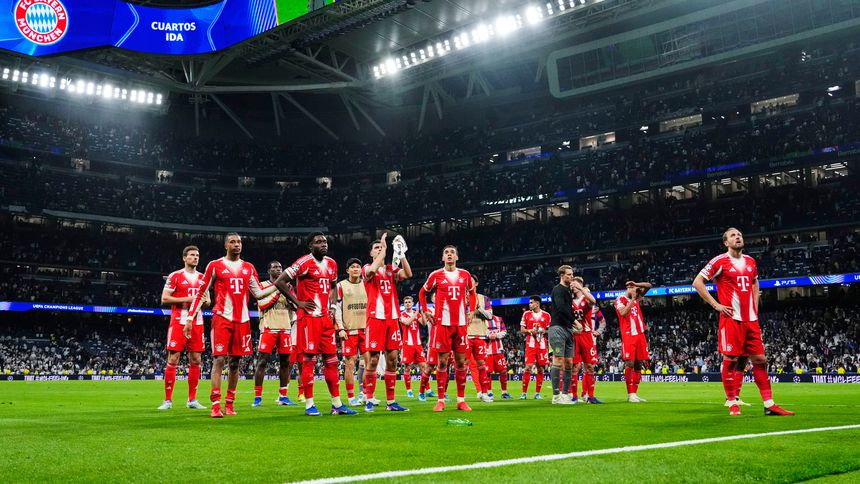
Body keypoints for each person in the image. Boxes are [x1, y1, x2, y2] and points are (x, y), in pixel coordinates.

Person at [693, 227, 794, 416]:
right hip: (731, 319)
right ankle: (732, 402)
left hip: (751, 320)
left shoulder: (750, 261)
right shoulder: (719, 261)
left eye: (739, 234)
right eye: (733, 235)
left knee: (760, 360)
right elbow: (697, 282)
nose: (738, 237)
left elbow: (755, 282)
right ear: (726, 242)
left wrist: (754, 306)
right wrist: (716, 305)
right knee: (730, 360)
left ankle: (769, 404)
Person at [186, 233, 280, 418]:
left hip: (242, 320)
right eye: (233, 242)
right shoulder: (215, 265)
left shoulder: (248, 267)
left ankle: (229, 403)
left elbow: (259, 293)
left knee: (235, 363)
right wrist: (190, 318)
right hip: (222, 318)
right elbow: (201, 292)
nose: (237, 244)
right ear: (226, 245)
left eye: (239, 242)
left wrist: (279, 284)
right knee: (219, 359)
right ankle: (215, 404)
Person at [274, 232, 358, 417]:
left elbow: (333, 286)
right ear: (310, 246)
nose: (323, 244)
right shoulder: (304, 263)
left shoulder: (332, 264)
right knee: (308, 361)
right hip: (309, 319)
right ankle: (309, 404)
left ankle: (337, 404)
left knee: (332, 361)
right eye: (318, 242)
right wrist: (298, 302)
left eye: (325, 241)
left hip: (325, 319)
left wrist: (333, 307)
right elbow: (280, 282)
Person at [419, 245, 476, 412]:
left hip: (460, 324)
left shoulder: (465, 275)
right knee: (442, 362)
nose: (449, 255)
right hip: (442, 324)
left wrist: (472, 311)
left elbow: (472, 293)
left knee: (461, 362)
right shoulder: (435, 275)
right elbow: (422, 293)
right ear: (443, 257)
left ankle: (461, 400)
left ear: (457, 257)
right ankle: (440, 400)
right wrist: (425, 310)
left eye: (452, 252)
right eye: (446, 253)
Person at [362, 233, 412, 412]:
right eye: (376, 248)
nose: (379, 250)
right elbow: (372, 270)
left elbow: (408, 274)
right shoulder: (367, 268)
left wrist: (401, 253)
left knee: (392, 360)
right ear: (371, 253)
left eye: (380, 247)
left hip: (392, 319)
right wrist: (384, 247)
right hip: (375, 318)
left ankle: (391, 402)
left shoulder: (391, 269)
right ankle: (369, 398)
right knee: (373, 359)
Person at [158, 245, 209, 411]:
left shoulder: (203, 278)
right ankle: (167, 401)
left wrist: (201, 301)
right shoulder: (175, 276)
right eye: (192, 255)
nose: (195, 258)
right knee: (173, 359)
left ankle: (192, 400)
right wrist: (189, 298)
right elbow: (165, 298)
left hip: (197, 322)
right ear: (184, 258)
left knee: (196, 360)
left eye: (197, 255)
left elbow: (208, 301)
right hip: (179, 322)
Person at [252, 261, 297, 407]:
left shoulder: (289, 287)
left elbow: (295, 306)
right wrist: (278, 290)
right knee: (262, 362)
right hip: (268, 327)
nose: (278, 269)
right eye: (275, 267)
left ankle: (283, 396)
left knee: (285, 362)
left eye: (280, 268)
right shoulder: (263, 285)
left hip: (285, 327)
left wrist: (288, 294)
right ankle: (257, 397)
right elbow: (263, 304)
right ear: (269, 271)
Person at [335, 258, 367, 407]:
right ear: (347, 270)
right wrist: (340, 328)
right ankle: (351, 397)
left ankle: (366, 394)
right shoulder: (341, 286)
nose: (356, 269)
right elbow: (337, 308)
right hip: (349, 330)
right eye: (352, 267)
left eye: (358, 267)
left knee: (370, 362)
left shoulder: (367, 284)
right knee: (350, 363)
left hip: (366, 329)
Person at [614, 281, 651, 403]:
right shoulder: (620, 299)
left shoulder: (636, 297)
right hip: (629, 335)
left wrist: (636, 284)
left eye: (636, 289)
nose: (636, 291)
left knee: (639, 364)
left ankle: (635, 393)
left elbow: (649, 286)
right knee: (630, 363)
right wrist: (633, 299)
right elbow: (623, 313)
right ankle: (630, 394)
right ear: (628, 288)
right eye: (633, 288)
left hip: (640, 334)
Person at [571, 277, 603, 404]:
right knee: (574, 367)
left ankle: (591, 396)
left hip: (586, 335)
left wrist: (582, 289)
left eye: (575, 284)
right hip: (574, 335)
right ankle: (574, 396)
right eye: (572, 284)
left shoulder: (586, 299)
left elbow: (593, 301)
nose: (573, 286)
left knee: (589, 366)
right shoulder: (569, 301)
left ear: (580, 285)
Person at [548, 265, 577, 404]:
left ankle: (565, 394)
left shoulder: (568, 291)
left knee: (569, 362)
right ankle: (556, 396)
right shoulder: (558, 289)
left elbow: (568, 310)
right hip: (557, 328)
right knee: (558, 359)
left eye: (572, 274)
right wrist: (575, 322)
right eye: (569, 274)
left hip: (568, 329)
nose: (571, 277)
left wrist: (572, 324)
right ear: (562, 275)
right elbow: (560, 308)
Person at [466, 275, 493, 403]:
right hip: (465, 335)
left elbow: (490, 316)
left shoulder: (484, 298)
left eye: (470, 281)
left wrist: (477, 307)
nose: (468, 283)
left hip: (480, 335)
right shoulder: (460, 298)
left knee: (481, 365)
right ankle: (461, 397)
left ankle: (484, 393)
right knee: (462, 365)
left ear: (476, 283)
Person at [572, 305, 606, 400]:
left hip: (590, 340)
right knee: (576, 366)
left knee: (590, 366)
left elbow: (603, 321)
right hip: (576, 338)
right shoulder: (575, 306)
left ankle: (585, 394)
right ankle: (573, 395)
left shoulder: (593, 307)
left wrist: (599, 331)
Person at [520, 295, 550, 400]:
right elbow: (522, 329)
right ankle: (524, 393)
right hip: (531, 344)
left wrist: (543, 331)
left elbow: (549, 330)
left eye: (531, 302)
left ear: (537, 303)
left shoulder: (546, 315)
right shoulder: (526, 314)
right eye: (530, 302)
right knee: (528, 367)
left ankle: (537, 393)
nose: (530, 304)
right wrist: (530, 331)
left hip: (542, 344)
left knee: (540, 368)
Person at [399, 295, 428, 399]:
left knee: (424, 366)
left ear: (412, 303)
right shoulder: (401, 314)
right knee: (407, 367)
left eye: (409, 302)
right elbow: (407, 323)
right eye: (406, 302)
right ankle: (409, 391)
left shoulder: (417, 314)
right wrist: (416, 313)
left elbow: (424, 323)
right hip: (407, 344)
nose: (408, 304)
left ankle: (427, 390)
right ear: (404, 304)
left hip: (418, 344)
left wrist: (422, 312)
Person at [485, 314, 511, 399]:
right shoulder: (481, 320)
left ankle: (504, 392)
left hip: (498, 349)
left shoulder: (499, 319)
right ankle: (489, 392)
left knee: (503, 371)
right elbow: (479, 332)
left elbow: (504, 331)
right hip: (487, 350)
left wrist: (496, 335)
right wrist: (488, 336)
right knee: (487, 372)